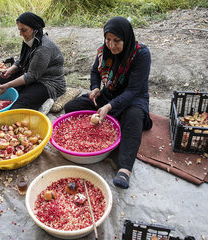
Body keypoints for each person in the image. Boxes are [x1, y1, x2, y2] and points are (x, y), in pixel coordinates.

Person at [64, 16, 153, 189]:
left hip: (133, 99)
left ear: (126, 38)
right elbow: (94, 72)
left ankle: (124, 169)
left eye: (117, 41)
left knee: (133, 118)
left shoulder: (141, 54)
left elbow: (133, 90)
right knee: (71, 108)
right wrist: (95, 88)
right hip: (109, 94)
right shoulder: (104, 51)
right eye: (108, 39)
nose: (111, 45)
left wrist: (109, 106)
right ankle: (113, 119)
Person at [0, 12, 66, 110]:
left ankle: (43, 98)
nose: (21, 34)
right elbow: (22, 60)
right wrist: (9, 70)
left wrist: (8, 85)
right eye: (19, 30)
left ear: (34, 28)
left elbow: (32, 76)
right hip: (34, 75)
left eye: (24, 30)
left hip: (48, 82)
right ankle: (27, 93)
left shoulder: (43, 48)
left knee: (18, 106)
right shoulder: (31, 40)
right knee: (3, 79)